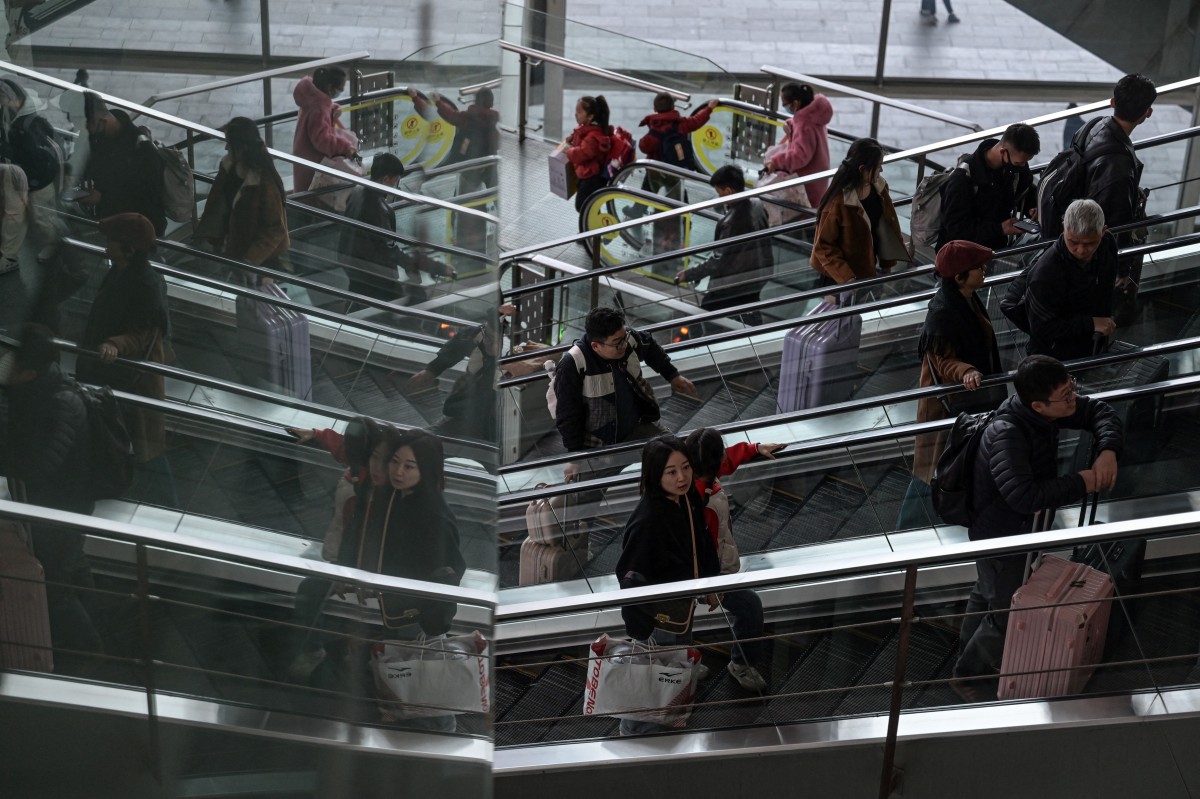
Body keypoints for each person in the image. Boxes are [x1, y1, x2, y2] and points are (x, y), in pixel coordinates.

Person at [950, 355, 1123, 702]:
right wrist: (1082, 481)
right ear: (1038, 405)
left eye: (1071, 388)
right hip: (999, 537)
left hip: (1012, 531)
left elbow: (1099, 412)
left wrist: (1108, 450)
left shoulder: (1043, 411)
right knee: (1006, 611)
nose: (1073, 398)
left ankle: (967, 650)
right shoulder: (1007, 435)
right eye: (1066, 396)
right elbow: (1023, 496)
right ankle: (966, 676)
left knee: (987, 592)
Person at [0, 322, 104, 667]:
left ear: (29, 373)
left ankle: (90, 654)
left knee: (57, 583)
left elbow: (38, 465)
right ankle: (96, 636)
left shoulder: (60, 404)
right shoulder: (39, 389)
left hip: (61, 510)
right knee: (72, 566)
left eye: (10, 365)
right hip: (59, 505)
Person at [615, 435, 721, 735]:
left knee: (674, 659)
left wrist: (710, 583)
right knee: (655, 672)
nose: (682, 477)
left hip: (681, 604)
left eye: (686, 467)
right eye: (671, 472)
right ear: (654, 474)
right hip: (656, 615)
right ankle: (633, 730)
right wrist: (640, 628)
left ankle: (672, 707)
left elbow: (701, 539)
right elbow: (630, 576)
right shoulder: (647, 520)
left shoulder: (687, 499)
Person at [897, 240, 1004, 530]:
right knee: (931, 471)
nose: (983, 272)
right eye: (978, 268)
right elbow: (942, 362)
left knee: (946, 468)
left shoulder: (965, 297)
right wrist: (967, 371)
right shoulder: (943, 312)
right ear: (959, 277)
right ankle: (907, 528)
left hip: (965, 403)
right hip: (947, 408)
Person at [75, 213, 175, 506]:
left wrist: (113, 344)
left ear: (128, 248)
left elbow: (144, 333)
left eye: (111, 241)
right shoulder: (122, 270)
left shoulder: (144, 283)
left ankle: (166, 503)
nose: (107, 245)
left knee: (145, 446)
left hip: (131, 378)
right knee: (139, 443)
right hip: (116, 373)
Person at [685, 428, 783, 692]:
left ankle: (686, 662)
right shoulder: (696, 503)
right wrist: (711, 587)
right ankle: (735, 664)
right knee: (748, 606)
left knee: (685, 616)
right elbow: (697, 551)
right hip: (704, 575)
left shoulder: (697, 479)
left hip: (709, 572)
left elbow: (723, 463)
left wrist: (752, 449)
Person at [552, 306, 698, 477]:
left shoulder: (626, 338)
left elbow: (648, 345)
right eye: (617, 343)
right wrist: (575, 457)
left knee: (679, 457)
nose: (624, 345)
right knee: (585, 495)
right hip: (601, 446)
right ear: (596, 346)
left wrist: (672, 375)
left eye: (624, 338)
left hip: (638, 427)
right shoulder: (573, 364)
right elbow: (568, 413)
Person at [1074, 74, 1156, 322]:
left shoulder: (1094, 125)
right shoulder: (1118, 166)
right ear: (1147, 113)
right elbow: (1117, 224)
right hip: (1093, 255)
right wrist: (1122, 272)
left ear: (1112, 102)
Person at [337, 152, 453, 305]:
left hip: (351, 262)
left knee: (359, 299)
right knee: (405, 303)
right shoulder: (378, 209)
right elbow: (389, 251)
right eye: (395, 181)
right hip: (373, 273)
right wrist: (434, 267)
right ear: (386, 179)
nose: (396, 186)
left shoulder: (359, 190)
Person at [676, 164, 774, 327]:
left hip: (733, 284)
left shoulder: (731, 223)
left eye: (719, 193)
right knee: (749, 307)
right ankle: (755, 337)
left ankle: (697, 348)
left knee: (703, 318)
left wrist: (689, 274)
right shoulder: (756, 203)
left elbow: (718, 262)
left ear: (728, 191)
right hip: (759, 273)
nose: (719, 198)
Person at [194, 117, 291, 281]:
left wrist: (250, 261)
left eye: (229, 144)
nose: (226, 148)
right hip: (231, 251)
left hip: (257, 264)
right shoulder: (228, 166)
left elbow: (275, 229)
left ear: (242, 149)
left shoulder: (265, 184)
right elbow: (217, 205)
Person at [1024, 199, 1121, 361]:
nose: (1081, 250)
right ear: (1064, 229)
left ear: (1103, 232)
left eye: (1090, 243)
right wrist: (1091, 324)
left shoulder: (1108, 244)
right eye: (1073, 242)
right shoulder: (1046, 273)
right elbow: (1041, 328)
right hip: (1054, 356)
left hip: (1094, 341)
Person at [810, 137, 909, 293]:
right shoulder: (838, 202)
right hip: (841, 282)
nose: (881, 170)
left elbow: (886, 226)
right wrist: (848, 280)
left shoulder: (879, 187)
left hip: (868, 273)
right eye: (878, 166)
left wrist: (887, 264)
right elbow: (823, 247)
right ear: (863, 169)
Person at [405, 304, 514, 444]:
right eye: (488, 337)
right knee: (432, 435)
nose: (489, 343)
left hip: (491, 413)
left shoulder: (510, 355)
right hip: (468, 405)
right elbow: (457, 346)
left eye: (494, 340)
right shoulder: (480, 334)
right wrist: (431, 370)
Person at [286, 416, 381, 562]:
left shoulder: (358, 485)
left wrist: (316, 434)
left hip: (342, 555)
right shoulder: (373, 469)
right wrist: (316, 434)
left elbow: (344, 447)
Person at [937, 123, 1040, 251]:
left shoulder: (1015, 168)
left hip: (995, 250)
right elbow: (956, 227)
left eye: (1025, 162)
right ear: (1003, 152)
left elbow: (1026, 190)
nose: (1023, 166)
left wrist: (1033, 208)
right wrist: (1000, 228)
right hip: (962, 257)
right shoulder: (963, 179)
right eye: (1019, 162)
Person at [81, 93, 166, 236]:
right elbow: (93, 164)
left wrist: (102, 196)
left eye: (85, 125)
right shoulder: (99, 137)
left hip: (138, 230)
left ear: (100, 120)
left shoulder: (143, 149)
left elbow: (147, 195)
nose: (83, 130)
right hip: (111, 220)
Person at [0, 77, 65, 252]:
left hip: (37, 179)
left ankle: (54, 244)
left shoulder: (26, 126)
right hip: (25, 177)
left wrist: (7, 149)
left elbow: (31, 155)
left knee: (42, 216)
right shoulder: (16, 118)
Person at [763, 82, 833, 208]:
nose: (785, 107)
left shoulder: (805, 125)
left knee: (805, 215)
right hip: (818, 173)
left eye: (785, 104)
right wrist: (792, 123)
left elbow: (799, 156)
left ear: (796, 103)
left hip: (808, 181)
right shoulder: (814, 114)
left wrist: (776, 162)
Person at [292, 66, 358, 193]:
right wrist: (345, 147)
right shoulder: (319, 108)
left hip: (303, 152)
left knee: (302, 191)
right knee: (309, 195)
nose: (340, 92)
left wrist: (331, 108)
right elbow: (322, 140)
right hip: (312, 159)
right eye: (340, 89)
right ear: (329, 87)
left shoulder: (311, 96)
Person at [563, 95, 612, 213]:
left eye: (579, 112)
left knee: (583, 205)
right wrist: (573, 137)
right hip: (586, 174)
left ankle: (592, 227)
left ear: (590, 117)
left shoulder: (593, 136)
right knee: (589, 204)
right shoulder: (587, 129)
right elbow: (580, 135)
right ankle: (592, 224)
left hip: (592, 177)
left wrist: (569, 151)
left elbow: (582, 153)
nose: (576, 115)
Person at [0, 161, 28, 274]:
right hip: (11, 168)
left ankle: (9, 258)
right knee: (14, 213)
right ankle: (7, 255)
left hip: (11, 171)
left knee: (14, 213)